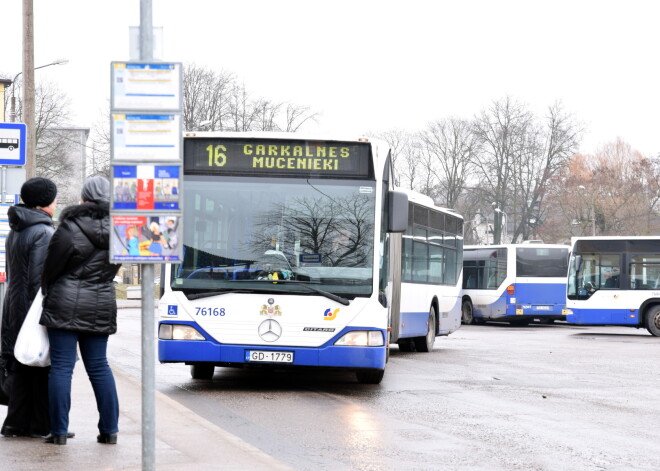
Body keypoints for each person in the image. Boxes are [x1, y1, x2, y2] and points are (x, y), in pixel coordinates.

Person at [39, 176, 121, 445]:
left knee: (62, 368)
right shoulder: (123, 230)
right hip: (101, 302)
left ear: (84, 197)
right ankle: (109, 431)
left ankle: (59, 432)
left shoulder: (69, 227)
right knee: (99, 366)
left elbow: (50, 268)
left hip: (64, 302)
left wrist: (49, 289)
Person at [1, 178, 58, 438]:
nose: (56, 204)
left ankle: (16, 423)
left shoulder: (17, 229)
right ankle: (41, 425)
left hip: (14, 306)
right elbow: (39, 279)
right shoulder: (43, 233)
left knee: (22, 366)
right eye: (54, 199)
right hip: (32, 309)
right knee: (41, 366)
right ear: (45, 203)